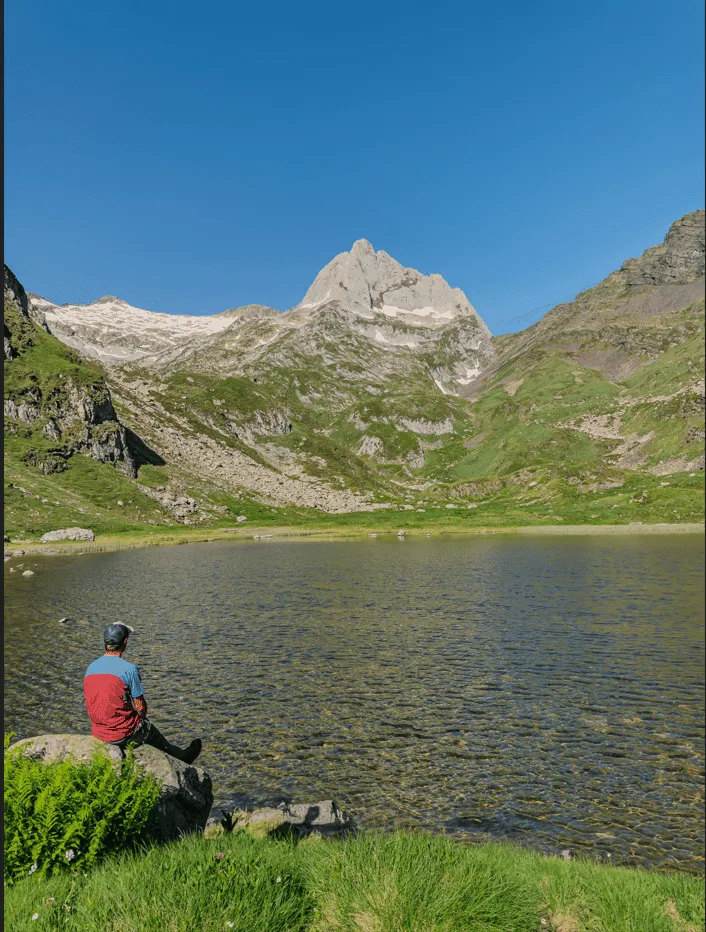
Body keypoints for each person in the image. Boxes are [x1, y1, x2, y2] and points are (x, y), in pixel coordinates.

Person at [83, 623, 202, 764]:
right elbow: (140, 708)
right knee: (146, 726)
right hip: (121, 734)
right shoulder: (129, 669)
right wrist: (139, 718)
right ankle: (182, 757)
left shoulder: (90, 668)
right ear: (125, 641)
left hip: (98, 732)